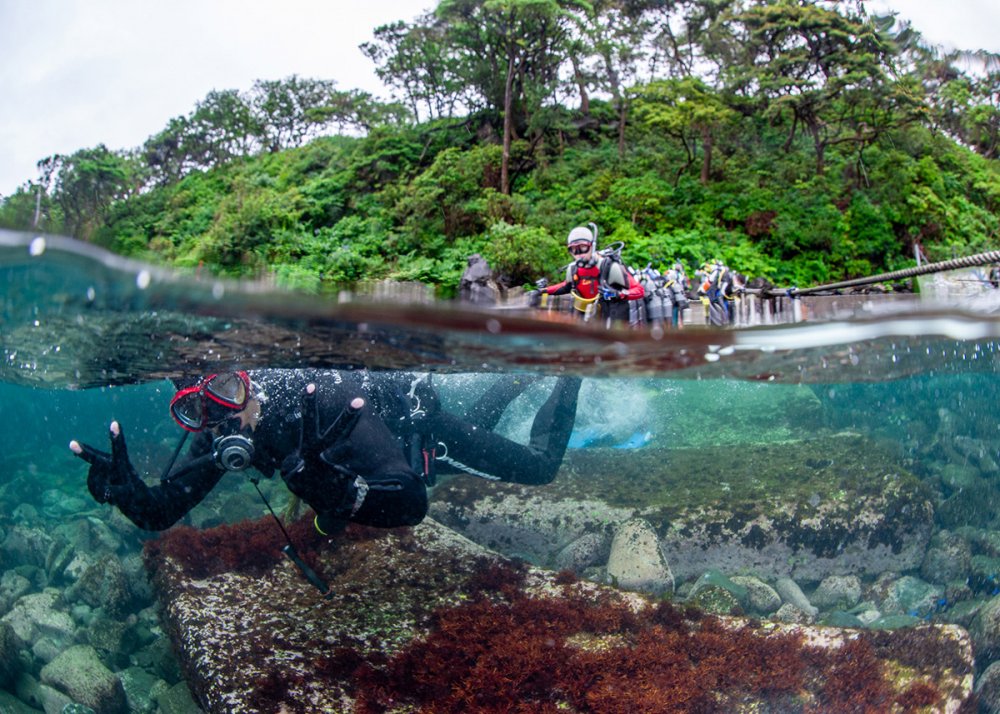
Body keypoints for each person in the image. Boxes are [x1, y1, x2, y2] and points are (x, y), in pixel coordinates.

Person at [70, 369, 581, 535]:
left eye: (226, 391)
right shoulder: (219, 424)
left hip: (409, 436)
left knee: (538, 468)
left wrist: (341, 493)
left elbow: (408, 502)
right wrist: (129, 497)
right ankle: (518, 377)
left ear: (247, 378)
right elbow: (162, 511)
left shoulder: (325, 397)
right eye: (197, 409)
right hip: (364, 465)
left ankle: (569, 372)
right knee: (483, 425)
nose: (221, 416)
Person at [534, 225, 644, 324]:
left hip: (614, 316)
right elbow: (565, 286)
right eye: (574, 249)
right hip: (589, 315)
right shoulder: (573, 270)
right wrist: (543, 291)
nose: (579, 254)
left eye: (582, 247)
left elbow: (639, 290)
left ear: (592, 246)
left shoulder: (610, 267)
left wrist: (618, 294)